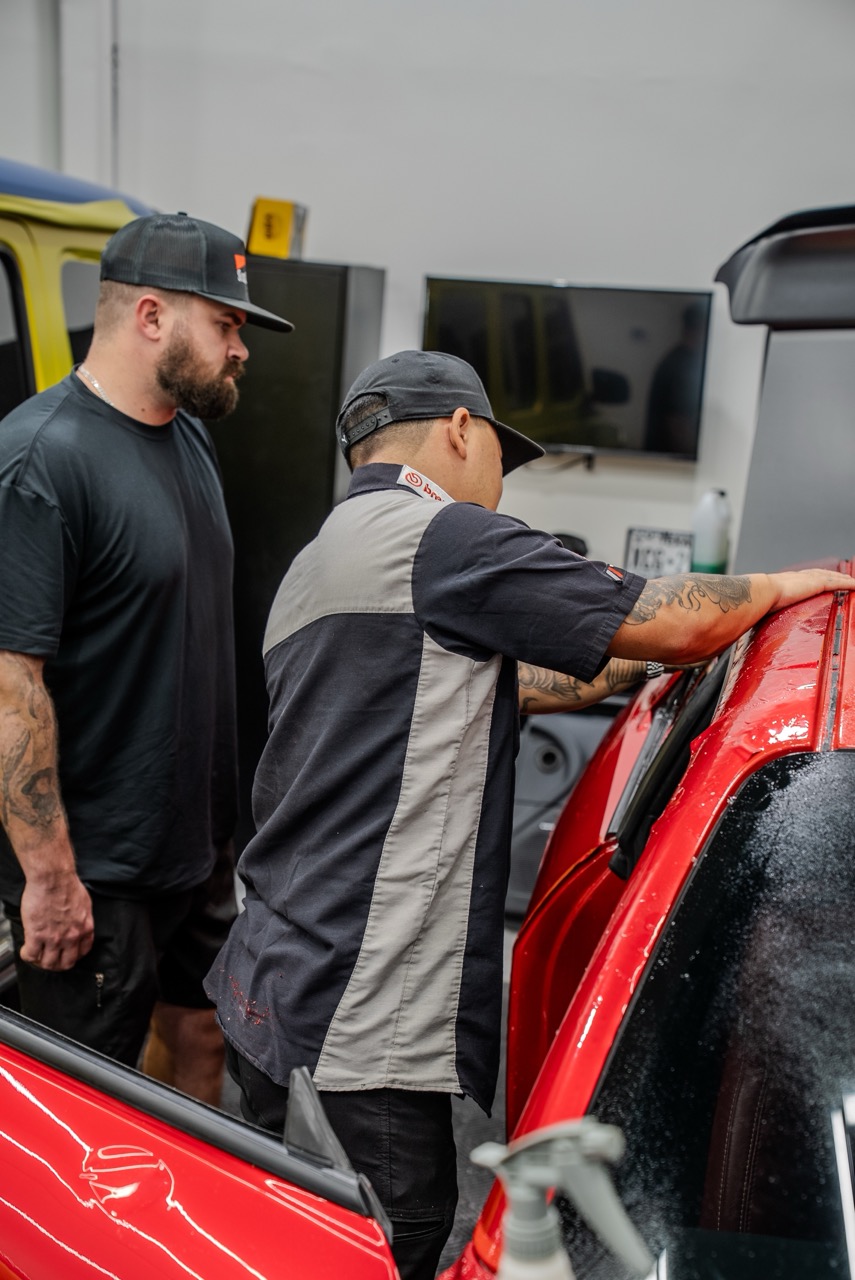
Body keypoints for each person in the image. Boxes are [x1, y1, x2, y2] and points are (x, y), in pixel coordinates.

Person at [205, 349, 854, 1279]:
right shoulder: (444, 537)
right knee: (386, 1248)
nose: (497, 488)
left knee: (289, 1237)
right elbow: (668, 620)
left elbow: (523, 676)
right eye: (498, 460)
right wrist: (787, 589)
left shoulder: (323, 563)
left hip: (271, 984)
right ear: (461, 431)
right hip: (362, 1012)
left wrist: (658, 657)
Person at [0, 211, 293, 1102]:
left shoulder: (187, 438)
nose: (240, 349)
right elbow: (11, 688)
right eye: (227, 324)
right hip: (98, 873)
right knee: (86, 1110)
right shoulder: (40, 463)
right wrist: (49, 880)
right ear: (152, 317)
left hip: (193, 853)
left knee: (205, 1048)